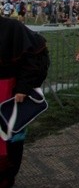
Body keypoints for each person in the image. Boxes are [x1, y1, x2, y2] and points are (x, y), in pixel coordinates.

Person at [0, 15, 49, 186]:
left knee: (9, 139)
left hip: (7, 93)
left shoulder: (12, 27)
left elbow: (33, 56)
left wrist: (23, 87)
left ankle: (6, 177)